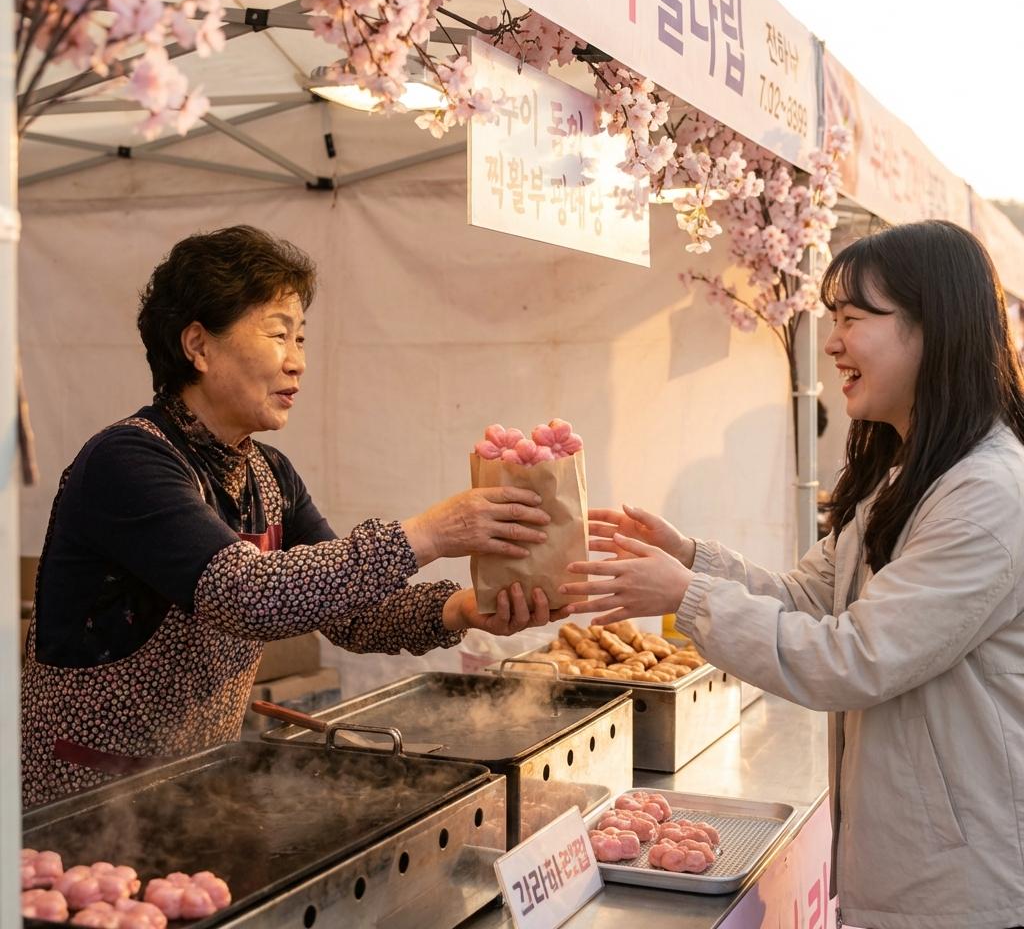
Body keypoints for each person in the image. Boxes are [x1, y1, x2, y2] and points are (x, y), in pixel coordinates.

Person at [562, 221, 1024, 929]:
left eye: (850, 320)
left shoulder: (986, 494)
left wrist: (687, 596)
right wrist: (694, 558)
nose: (831, 343)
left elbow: (855, 657)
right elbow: (809, 598)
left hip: (961, 888)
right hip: (909, 865)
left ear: (934, 327)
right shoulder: (904, 470)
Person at [22, 225, 560, 807]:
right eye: (279, 335)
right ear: (198, 346)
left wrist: (468, 608)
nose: (298, 363)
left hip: (191, 789)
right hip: (82, 797)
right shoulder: (127, 460)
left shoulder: (269, 474)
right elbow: (246, 593)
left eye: (301, 339)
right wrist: (431, 533)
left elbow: (355, 615)